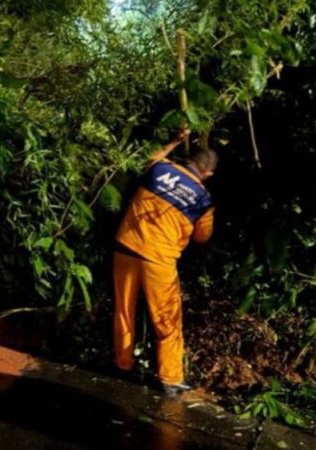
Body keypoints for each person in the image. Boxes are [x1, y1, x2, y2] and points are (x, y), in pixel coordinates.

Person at [113, 129, 217, 396]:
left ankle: (123, 364)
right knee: (167, 320)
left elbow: (146, 159)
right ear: (208, 174)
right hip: (158, 261)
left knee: (125, 310)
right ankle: (170, 378)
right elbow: (203, 238)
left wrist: (173, 140)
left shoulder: (160, 169)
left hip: (126, 248)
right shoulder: (203, 200)